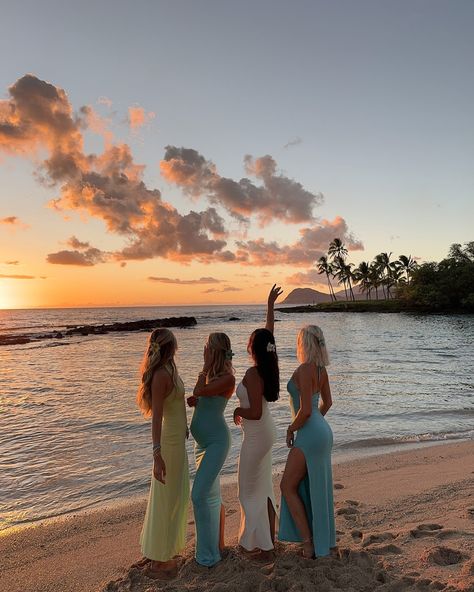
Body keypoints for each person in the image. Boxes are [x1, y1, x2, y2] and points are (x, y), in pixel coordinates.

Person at [233, 284, 282, 559]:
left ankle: (257, 544)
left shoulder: (254, 373)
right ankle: (267, 541)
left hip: (256, 435)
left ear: (254, 347)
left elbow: (255, 413)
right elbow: (268, 334)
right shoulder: (268, 364)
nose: (248, 342)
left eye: (251, 340)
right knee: (262, 487)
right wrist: (270, 305)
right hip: (265, 434)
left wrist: (236, 412)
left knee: (247, 489)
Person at [279, 325, 336, 558]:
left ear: (304, 344)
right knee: (317, 488)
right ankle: (321, 541)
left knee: (287, 486)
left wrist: (291, 429)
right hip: (322, 430)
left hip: (310, 430)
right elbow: (327, 403)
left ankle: (308, 544)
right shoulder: (322, 371)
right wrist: (315, 426)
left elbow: (304, 411)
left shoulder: (304, 369)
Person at [136, 328, 189, 579]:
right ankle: (158, 560)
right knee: (166, 496)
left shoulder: (171, 369)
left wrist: (187, 420)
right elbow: (157, 417)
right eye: (174, 345)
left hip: (179, 440)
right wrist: (157, 454)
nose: (177, 348)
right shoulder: (160, 375)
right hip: (168, 443)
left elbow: (176, 403)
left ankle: (161, 549)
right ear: (168, 347)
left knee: (175, 494)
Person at [187, 333, 234, 566]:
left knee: (198, 496)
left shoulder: (227, 378)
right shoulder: (214, 377)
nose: (204, 349)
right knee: (212, 497)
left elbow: (198, 390)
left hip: (217, 442)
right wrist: (199, 403)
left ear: (214, 351)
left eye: (207, 347)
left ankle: (205, 557)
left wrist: (203, 369)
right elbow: (203, 397)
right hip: (201, 444)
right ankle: (215, 549)